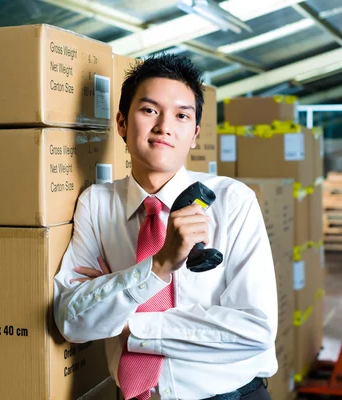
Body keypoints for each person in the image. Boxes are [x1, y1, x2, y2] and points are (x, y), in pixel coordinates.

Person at [53, 54, 277, 400]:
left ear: (195, 135)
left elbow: (254, 331)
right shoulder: (96, 204)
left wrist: (125, 318)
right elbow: (72, 320)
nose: (164, 126)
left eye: (182, 115)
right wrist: (158, 267)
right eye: (149, 110)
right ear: (122, 123)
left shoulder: (233, 202)